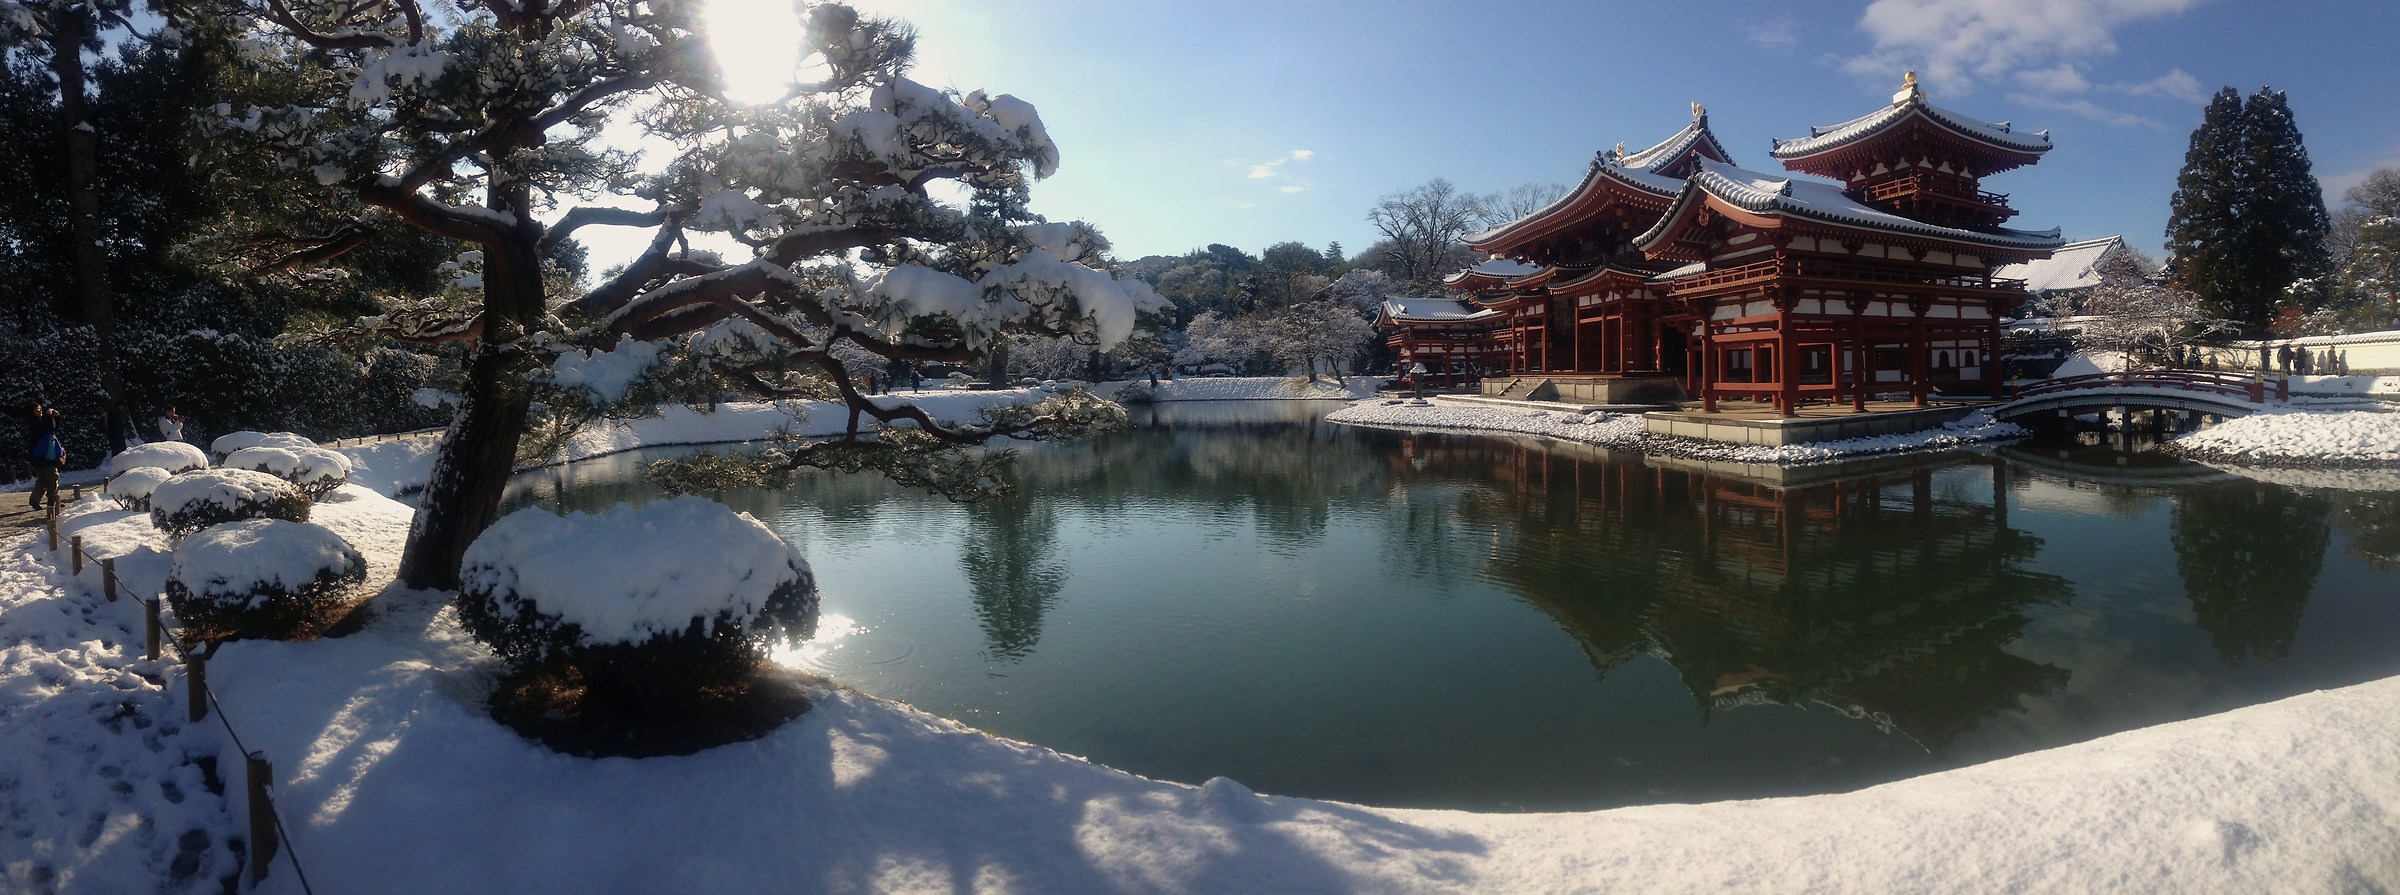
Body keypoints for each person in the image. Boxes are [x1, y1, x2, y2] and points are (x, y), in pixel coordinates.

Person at [26, 403, 65, 511]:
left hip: (38, 455)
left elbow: (52, 428)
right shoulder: (35, 422)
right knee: (52, 477)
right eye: (37, 408)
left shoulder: (39, 420)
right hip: (45, 455)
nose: (40, 410)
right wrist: (49, 417)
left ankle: (35, 499)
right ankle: (52, 501)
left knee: (43, 479)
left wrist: (56, 417)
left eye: (40, 408)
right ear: (32, 411)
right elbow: (48, 428)